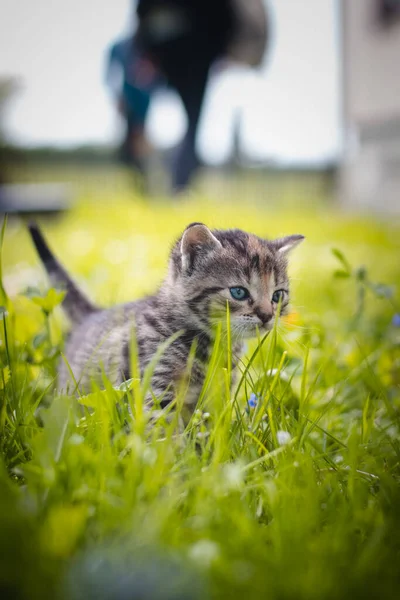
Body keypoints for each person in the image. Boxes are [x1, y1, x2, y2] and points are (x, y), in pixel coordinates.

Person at [135, 0, 268, 192]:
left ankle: (179, 180)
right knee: (189, 119)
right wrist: (146, 51)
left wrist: (146, 49)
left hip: (192, 51)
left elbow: (220, 12)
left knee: (191, 120)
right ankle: (175, 179)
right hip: (180, 50)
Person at [106, 35, 161, 176]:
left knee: (140, 138)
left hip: (144, 101)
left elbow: (159, 77)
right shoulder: (120, 47)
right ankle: (134, 173)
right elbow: (110, 76)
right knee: (130, 141)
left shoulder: (149, 46)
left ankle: (144, 175)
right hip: (127, 101)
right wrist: (117, 96)